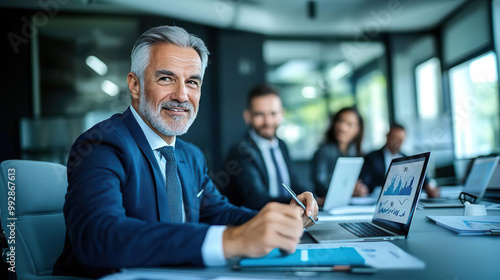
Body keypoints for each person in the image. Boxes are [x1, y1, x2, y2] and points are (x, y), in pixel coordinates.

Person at [53, 26, 318, 278]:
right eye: (166, 78)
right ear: (135, 86)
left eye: (192, 82)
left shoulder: (190, 156)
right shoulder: (102, 146)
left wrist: (284, 217)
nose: (182, 95)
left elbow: (219, 214)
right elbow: (98, 238)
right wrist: (233, 240)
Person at [221, 84, 307, 210]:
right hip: (256, 223)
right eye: (260, 115)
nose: (268, 122)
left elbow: (293, 185)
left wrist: (312, 198)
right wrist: (299, 202)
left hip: (288, 217)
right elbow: (257, 201)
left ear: (281, 114)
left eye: (273, 114)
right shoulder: (241, 151)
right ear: (248, 116)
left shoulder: (282, 145)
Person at [358, 124, 440, 198]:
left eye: (400, 140)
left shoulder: (409, 159)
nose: (397, 143)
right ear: (387, 136)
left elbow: (424, 180)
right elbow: (365, 182)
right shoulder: (371, 157)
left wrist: (430, 187)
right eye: (394, 138)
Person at [310, 107, 365, 205]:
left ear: (358, 130)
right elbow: (320, 185)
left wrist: (359, 189)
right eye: (340, 121)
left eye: (349, 124)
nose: (342, 128)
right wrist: (348, 190)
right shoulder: (324, 151)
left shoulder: (354, 153)